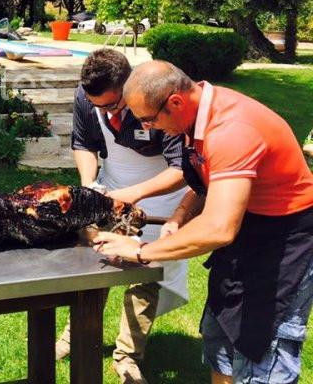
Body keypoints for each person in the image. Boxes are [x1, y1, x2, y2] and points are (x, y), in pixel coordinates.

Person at [94, 60, 313, 384]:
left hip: (284, 243)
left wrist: (143, 251)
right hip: (246, 232)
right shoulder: (195, 119)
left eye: (149, 119)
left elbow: (219, 227)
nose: (148, 128)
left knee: (261, 355)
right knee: (220, 340)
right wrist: (181, 216)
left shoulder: (232, 129)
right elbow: (207, 181)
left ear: (176, 102)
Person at [57, 49, 188, 384]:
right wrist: (90, 185)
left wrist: (132, 196)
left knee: (145, 273)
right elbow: (83, 143)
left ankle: (128, 356)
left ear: (131, 90)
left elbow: (182, 169)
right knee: (96, 261)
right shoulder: (89, 95)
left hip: (160, 193)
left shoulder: (156, 99)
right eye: (94, 104)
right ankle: (75, 336)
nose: (101, 111)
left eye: (111, 105)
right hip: (112, 185)